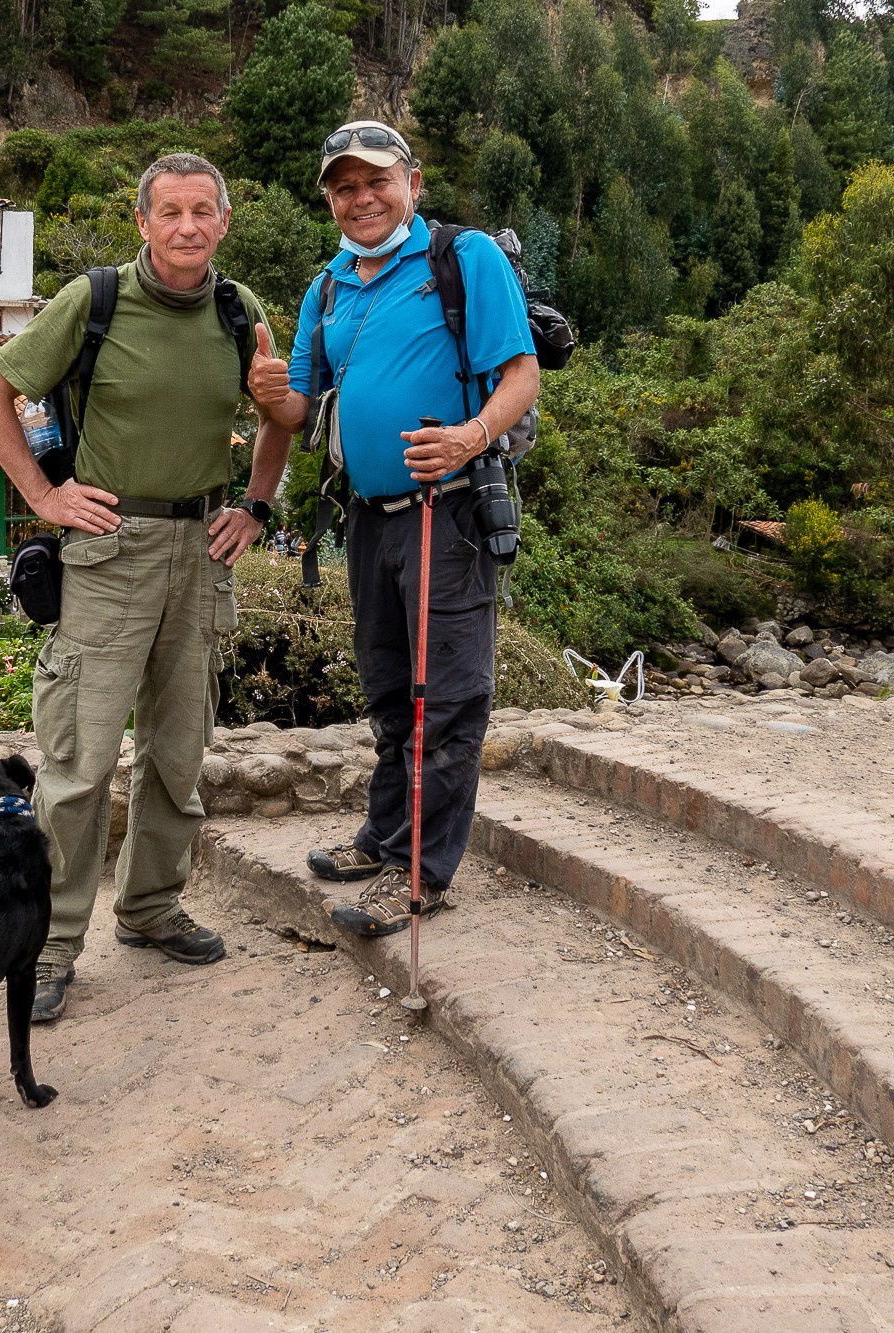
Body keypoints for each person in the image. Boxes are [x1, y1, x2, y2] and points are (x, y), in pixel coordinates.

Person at [0, 151, 292, 1023]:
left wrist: (257, 505)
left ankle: (149, 908)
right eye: (170, 212)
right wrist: (42, 494)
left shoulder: (238, 308)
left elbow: (280, 414)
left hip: (204, 549)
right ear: (143, 222)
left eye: (202, 212)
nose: (187, 226)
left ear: (223, 222)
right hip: (109, 551)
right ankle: (48, 944)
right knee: (77, 767)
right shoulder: (95, 299)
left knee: (178, 755)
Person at [251, 120, 540, 936]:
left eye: (375, 180)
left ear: (412, 182)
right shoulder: (330, 287)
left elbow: (522, 372)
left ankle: (422, 872)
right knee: (387, 691)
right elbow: (300, 407)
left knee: (445, 700)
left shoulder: (464, 258)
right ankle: (384, 837)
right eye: (343, 187)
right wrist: (267, 389)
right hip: (369, 520)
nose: (361, 197)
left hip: (447, 513)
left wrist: (469, 436)